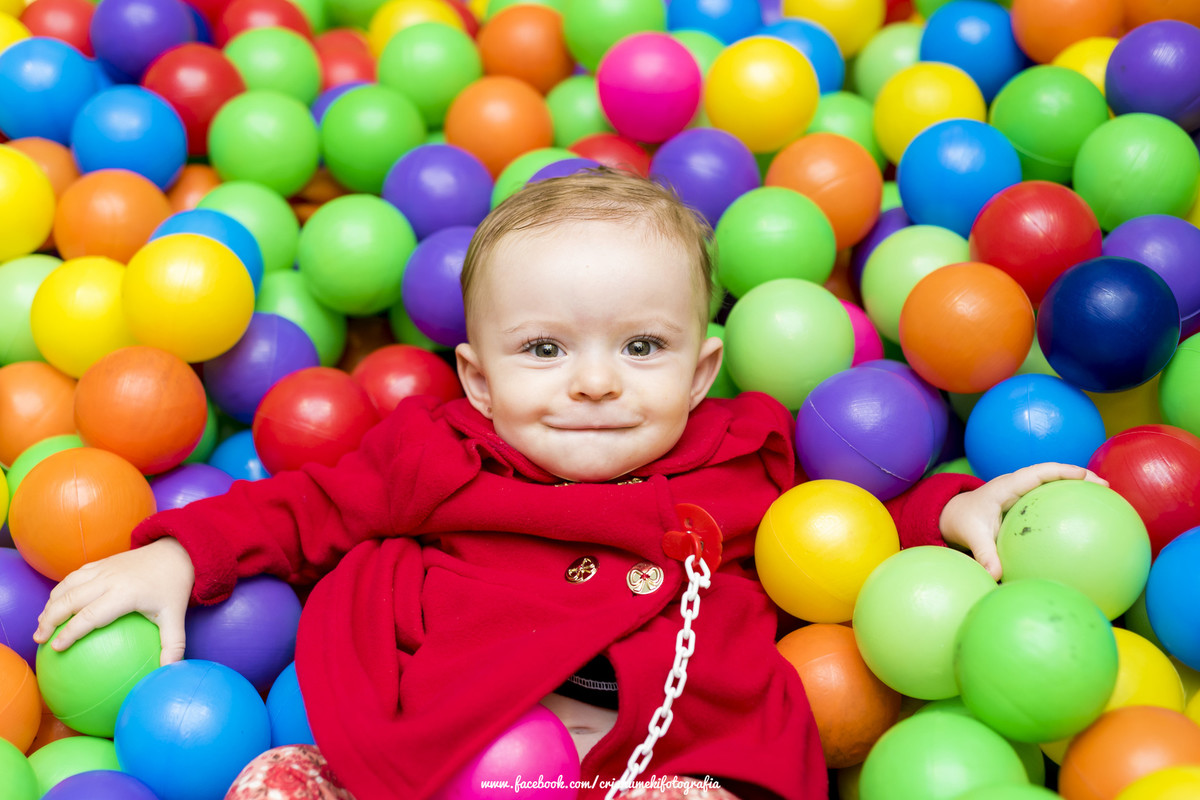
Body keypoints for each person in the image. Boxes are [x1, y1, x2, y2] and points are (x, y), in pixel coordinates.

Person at [35, 169, 1103, 800]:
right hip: (434, 758)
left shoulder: (743, 456)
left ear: (702, 372)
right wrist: (181, 552)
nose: (595, 381)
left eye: (641, 346)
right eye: (544, 349)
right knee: (278, 781)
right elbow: (309, 506)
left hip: (666, 765)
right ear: (479, 379)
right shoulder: (437, 453)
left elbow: (844, 533)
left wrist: (951, 509)